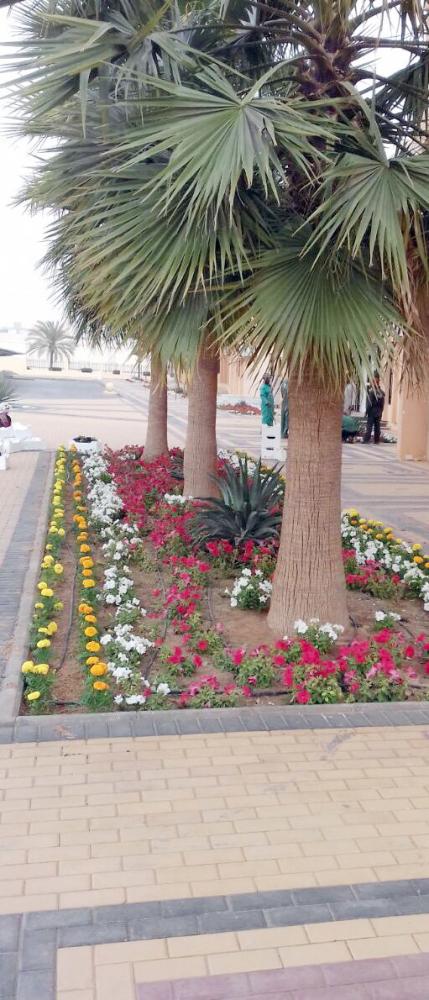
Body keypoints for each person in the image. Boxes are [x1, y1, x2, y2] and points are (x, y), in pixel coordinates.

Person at [364, 372, 385, 444]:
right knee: (377, 427)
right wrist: (381, 412)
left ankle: (366, 440)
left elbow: (369, 404)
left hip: (372, 412)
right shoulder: (381, 392)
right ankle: (377, 440)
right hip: (378, 412)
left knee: (369, 426)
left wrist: (366, 412)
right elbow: (382, 404)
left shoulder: (371, 392)